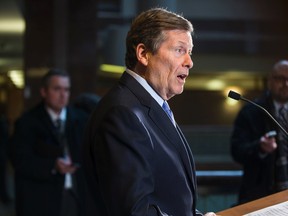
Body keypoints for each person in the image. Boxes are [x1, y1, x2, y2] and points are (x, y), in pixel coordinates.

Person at [83, 7, 216, 216]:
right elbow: (136, 211)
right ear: (143, 54)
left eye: (190, 52)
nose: (190, 62)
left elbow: (168, 199)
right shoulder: (122, 113)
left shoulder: (150, 106)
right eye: (179, 50)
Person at [10, 68, 89, 216]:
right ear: (44, 92)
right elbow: (19, 160)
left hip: (76, 196)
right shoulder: (27, 122)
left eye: (66, 89)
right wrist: (53, 166)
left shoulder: (81, 119)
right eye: (57, 89)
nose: (63, 95)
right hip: (42, 199)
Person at [231, 60, 288, 204]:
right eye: (281, 79)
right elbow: (236, 151)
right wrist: (260, 147)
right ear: (270, 81)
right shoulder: (252, 111)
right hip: (261, 196)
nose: (286, 84)